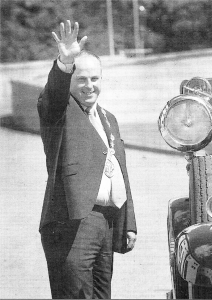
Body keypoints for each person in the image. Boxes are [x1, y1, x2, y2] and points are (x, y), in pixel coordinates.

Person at [37, 20, 137, 299]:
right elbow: (53, 96)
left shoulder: (109, 119)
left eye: (95, 79)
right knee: (75, 295)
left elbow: (120, 172)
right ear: (70, 79)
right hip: (72, 222)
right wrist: (65, 62)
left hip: (105, 222)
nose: (89, 85)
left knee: (101, 294)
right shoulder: (60, 112)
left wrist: (128, 222)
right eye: (81, 78)